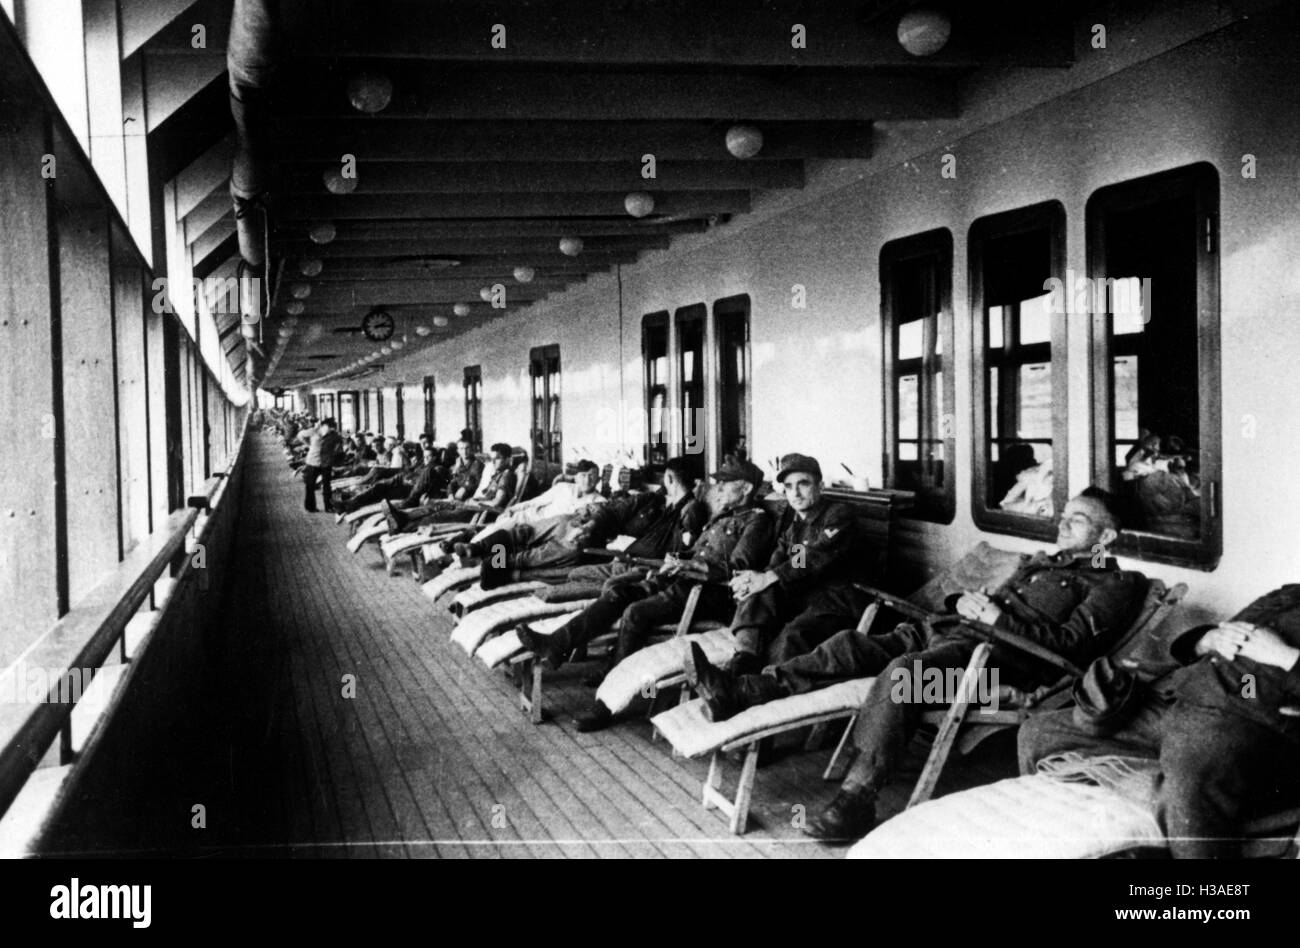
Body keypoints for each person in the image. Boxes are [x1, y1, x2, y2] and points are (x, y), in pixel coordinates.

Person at [686, 487, 1147, 841]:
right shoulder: (1044, 563)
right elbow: (983, 602)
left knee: (907, 677)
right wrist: (967, 601)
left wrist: (998, 619)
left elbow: (1068, 648)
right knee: (850, 645)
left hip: (995, 673)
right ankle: (743, 691)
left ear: (1106, 537)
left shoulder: (1117, 583)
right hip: (950, 633)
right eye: (1063, 516)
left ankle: (857, 799)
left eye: (1078, 521)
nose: (1063, 525)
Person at [1019, 585, 1300, 858]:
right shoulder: (1288, 593)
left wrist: (1283, 656)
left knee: (1188, 781)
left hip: (1239, 721)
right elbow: (1191, 645)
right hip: (1172, 701)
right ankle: (1032, 843)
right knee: (1038, 731)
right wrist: (1209, 640)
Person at [518, 458, 774, 732]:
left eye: (725, 483)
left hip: (709, 594)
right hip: (681, 580)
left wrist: (688, 565)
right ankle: (558, 643)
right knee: (619, 593)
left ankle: (605, 704)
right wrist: (676, 559)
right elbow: (696, 551)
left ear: (745, 488)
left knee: (636, 613)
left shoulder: (757, 521)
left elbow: (738, 569)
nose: (718, 489)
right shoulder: (725, 516)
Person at [726, 453, 876, 672]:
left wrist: (766, 578)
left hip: (839, 602)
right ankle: (744, 660)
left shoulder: (838, 515)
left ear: (820, 486)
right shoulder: (797, 524)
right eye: (788, 486)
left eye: (803, 484)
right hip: (806, 594)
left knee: (791, 636)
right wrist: (752, 582)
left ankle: (762, 684)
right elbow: (785, 562)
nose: (795, 493)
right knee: (757, 594)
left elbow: (814, 556)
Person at [302, 418, 344, 513]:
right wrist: (309, 445)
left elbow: (341, 442)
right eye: (328, 426)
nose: (330, 429)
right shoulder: (314, 432)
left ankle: (328, 507)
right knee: (310, 485)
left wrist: (333, 453)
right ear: (323, 426)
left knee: (327, 486)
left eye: (331, 427)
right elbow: (301, 435)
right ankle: (310, 507)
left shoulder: (334, 435)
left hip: (326, 463)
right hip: (313, 462)